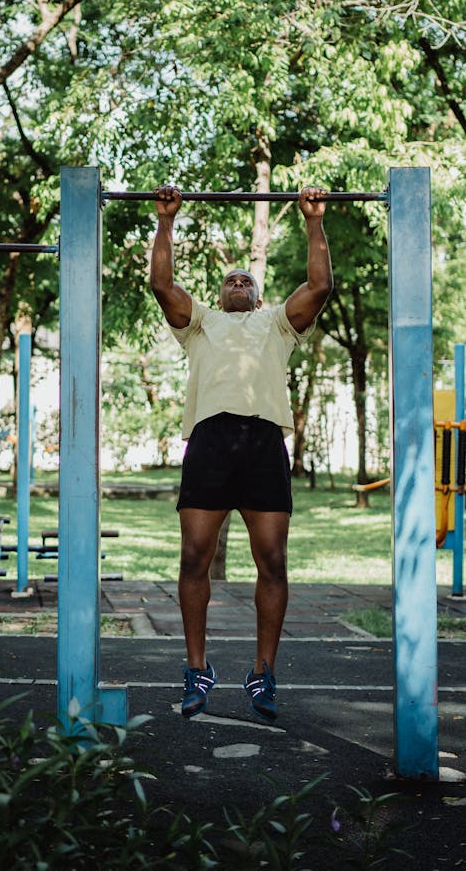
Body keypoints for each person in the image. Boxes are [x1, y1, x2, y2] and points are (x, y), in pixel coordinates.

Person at [149, 184, 333, 721]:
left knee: (272, 561)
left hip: (261, 445)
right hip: (209, 442)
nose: (236, 282)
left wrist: (313, 220)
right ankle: (198, 667)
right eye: (229, 279)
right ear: (220, 293)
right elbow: (161, 284)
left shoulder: (276, 323)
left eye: (245, 280)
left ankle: (263, 672)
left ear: (256, 296)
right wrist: (166, 220)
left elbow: (320, 285)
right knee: (193, 559)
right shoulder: (201, 323)